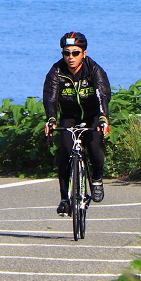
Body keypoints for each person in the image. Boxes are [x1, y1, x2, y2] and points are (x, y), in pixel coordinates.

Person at [43, 31, 111, 216]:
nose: (70, 57)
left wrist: (104, 118)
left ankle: (96, 178)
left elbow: (102, 95)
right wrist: (51, 119)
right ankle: (65, 198)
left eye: (75, 53)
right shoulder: (56, 71)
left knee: (95, 149)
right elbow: (50, 98)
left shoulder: (94, 70)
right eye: (66, 53)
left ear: (84, 53)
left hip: (92, 115)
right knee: (65, 151)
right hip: (69, 116)